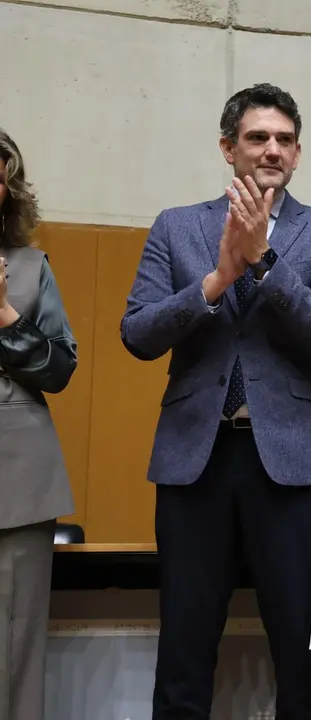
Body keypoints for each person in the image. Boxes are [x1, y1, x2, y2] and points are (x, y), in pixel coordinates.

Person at [120, 83, 311, 720]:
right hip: (194, 459)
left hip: (293, 466)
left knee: (303, 654)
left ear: (299, 153)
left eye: (284, 140)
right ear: (229, 149)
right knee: (185, 649)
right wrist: (217, 279)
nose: (271, 150)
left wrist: (263, 262)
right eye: (257, 138)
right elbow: (138, 333)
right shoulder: (177, 226)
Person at [0, 128, 78, 720]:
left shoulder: (29, 268)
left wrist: (5, 318)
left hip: (16, 489)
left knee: (14, 646)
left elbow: (59, 367)